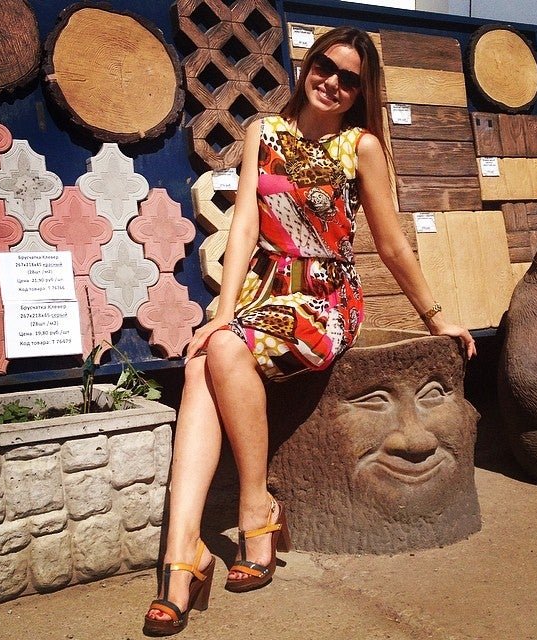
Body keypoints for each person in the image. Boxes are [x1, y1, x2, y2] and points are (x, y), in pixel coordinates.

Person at [143, 25, 476, 636]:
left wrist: (435, 317)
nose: (334, 84)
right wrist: (222, 310)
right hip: (262, 292)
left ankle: (253, 507)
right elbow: (246, 224)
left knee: (222, 350)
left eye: (351, 79)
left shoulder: (360, 147)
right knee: (202, 360)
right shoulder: (263, 133)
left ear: (362, 91)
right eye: (326, 67)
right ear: (308, 65)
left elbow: (390, 242)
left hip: (325, 298)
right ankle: (184, 548)